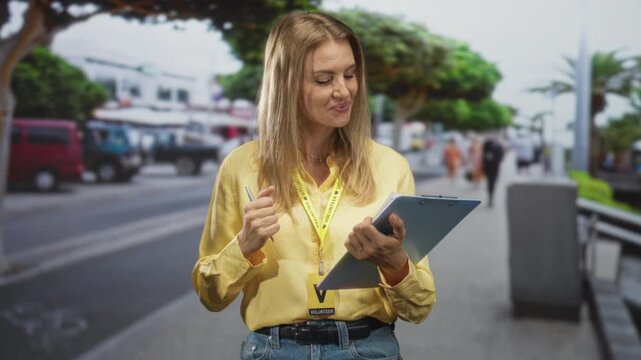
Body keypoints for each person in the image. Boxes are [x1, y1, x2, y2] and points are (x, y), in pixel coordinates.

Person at [192, 11, 436, 360]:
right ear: (286, 85)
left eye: (350, 75)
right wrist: (244, 246)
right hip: (273, 351)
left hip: (368, 349)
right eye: (324, 79)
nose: (344, 91)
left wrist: (395, 262)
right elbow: (209, 294)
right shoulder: (241, 166)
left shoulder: (390, 167)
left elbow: (420, 306)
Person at [482, 135, 504, 207]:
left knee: (491, 182)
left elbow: (501, 157)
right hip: (491, 167)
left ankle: (490, 196)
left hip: (492, 167)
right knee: (491, 182)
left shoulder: (495, 146)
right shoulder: (491, 145)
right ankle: (490, 196)